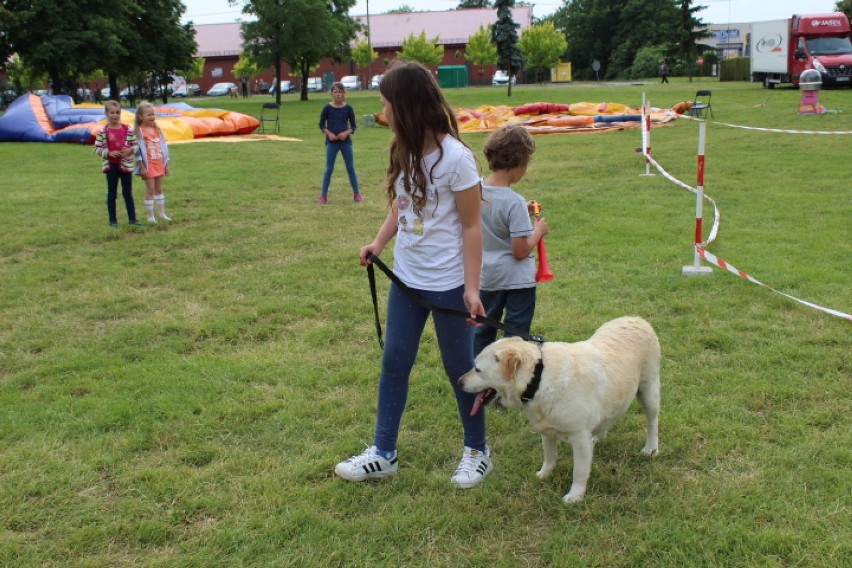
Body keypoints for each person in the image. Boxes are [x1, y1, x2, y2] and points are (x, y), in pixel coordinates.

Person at [334, 61, 491, 489]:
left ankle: (477, 451)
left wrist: (473, 289)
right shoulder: (403, 149)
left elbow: (473, 226)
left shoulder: (456, 159)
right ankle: (383, 453)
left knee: (460, 367)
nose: (382, 112)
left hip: (449, 285)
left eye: (386, 103)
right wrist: (378, 243)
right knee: (394, 360)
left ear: (406, 106)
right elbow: (402, 206)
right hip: (407, 279)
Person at [473, 124, 549, 357]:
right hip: (517, 282)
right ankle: (510, 379)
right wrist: (538, 231)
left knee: (483, 331)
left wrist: (521, 214)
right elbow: (520, 251)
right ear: (519, 164)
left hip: (488, 278)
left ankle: (480, 374)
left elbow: (493, 221)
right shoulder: (514, 201)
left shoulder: (475, 191)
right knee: (515, 337)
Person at [94, 100, 140, 227]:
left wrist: (130, 150)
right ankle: (113, 220)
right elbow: (96, 148)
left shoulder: (127, 129)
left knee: (128, 193)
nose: (115, 115)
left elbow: (136, 145)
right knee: (112, 193)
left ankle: (133, 218)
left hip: (125, 166)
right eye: (112, 112)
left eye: (117, 112)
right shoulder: (103, 131)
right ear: (106, 113)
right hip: (111, 167)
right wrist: (108, 153)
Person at [317, 82, 361, 204]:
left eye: (340, 91)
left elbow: (353, 126)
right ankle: (323, 196)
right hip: (332, 143)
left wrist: (346, 133)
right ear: (332, 93)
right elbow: (321, 125)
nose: (338, 94)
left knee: (350, 167)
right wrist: (329, 134)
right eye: (335, 91)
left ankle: (357, 194)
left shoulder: (348, 108)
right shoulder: (327, 108)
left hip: (345, 142)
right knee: (329, 169)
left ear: (344, 93)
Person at [134, 102, 171, 223]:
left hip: (159, 162)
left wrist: (166, 163)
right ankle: (150, 216)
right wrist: (142, 166)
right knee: (150, 189)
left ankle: (162, 213)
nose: (152, 117)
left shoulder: (157, 130)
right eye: (149, 115)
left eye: (153, 114)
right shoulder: (139, 131)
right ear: (140, 117)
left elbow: (164, 147)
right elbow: (137, 151)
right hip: (148, 165)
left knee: (159, 189)